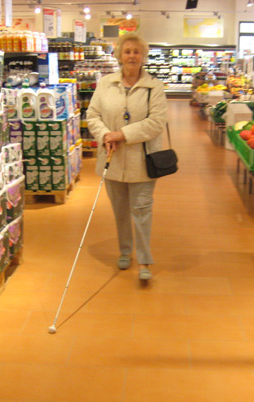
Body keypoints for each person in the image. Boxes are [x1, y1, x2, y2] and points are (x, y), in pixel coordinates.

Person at [86, 33, 168, 281]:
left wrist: (121, 134)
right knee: (120, 211)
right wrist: (105, 136)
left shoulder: (155, 86)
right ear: (119, 55)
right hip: (112, 160)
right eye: (127, 51)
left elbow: (156, 122)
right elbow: (93, 115)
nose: (132, 56)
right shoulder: (105, 83)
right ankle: (125, 251)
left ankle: (144, 261)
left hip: (143, 161)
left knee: (142, 210)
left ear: (143, 56)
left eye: (136, 51)